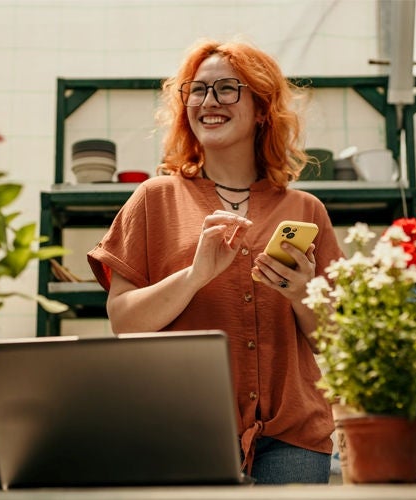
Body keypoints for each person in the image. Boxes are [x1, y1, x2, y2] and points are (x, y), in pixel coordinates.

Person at [87, 37, 344, 485]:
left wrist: (303, 294)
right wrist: (195, 275)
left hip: (293, 437)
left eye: (227, 88)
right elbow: (123, 322)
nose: (209, 101)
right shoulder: (153, 199)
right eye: (197, 90)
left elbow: (334, 340)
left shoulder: (306, 210)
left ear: (262, 107)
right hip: (184, 431)